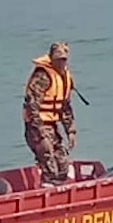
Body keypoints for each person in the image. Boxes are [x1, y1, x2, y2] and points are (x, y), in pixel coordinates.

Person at [22, 41, 78, 187]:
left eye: (64, 59)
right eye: (58, 59)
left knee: (62, 163)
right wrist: (39, 132)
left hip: (51, 125)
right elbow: (32, 105)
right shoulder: (43, 76)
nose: (61, 62)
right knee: (47, 157)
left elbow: (65, 107)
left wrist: (70, 131)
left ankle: (59, 187)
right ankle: (47, 186)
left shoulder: (64, 77)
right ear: (51, 58)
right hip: (36, 125)